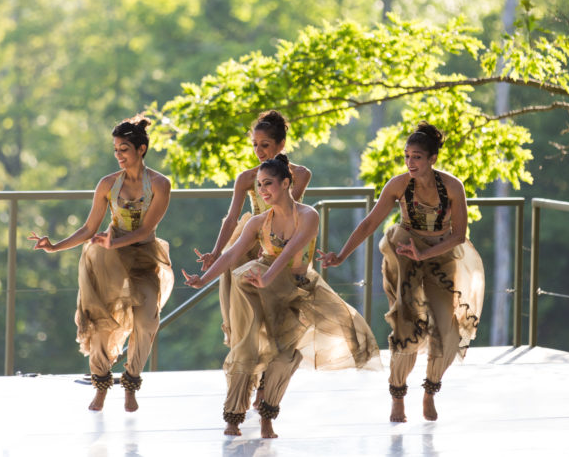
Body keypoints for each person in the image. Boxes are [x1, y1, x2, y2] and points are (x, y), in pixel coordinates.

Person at [183, 154, 380, 438]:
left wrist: (268, 277)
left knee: (286, 355)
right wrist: (203, 278)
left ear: (286, 183)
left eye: (269, 184)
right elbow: (232, 255)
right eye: (260, 185)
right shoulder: (258, 222)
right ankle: (233, 418)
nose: (262, 190)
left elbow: (290, 253)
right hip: (257, 286)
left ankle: (267, 416)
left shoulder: (308, 215)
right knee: (248, 347)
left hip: (295, 287)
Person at [320, 122, 485, 423]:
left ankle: (430, 391)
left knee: (448, 332)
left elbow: (459, 235)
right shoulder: (398, 185)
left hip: (440, 253)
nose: (410, 163)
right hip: (405, 253)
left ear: (432, 158)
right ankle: (397, 395)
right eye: (407, 156)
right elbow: (370, 223)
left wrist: (426, 252)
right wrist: (341, 255)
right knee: (408, 326)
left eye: (417, 157)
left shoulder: (452, 187)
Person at [29, 116, 173, 412]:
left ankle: (131, 381)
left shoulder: (160, 183)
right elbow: (89, 228)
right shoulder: (108, 184)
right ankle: (102, 385)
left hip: (143, 256)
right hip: (109, 260)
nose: (119, 155)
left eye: (125, 149)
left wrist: (114, 241)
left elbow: (146, 230)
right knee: (100, 324)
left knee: (147, 321)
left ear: (141, 149)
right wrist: (54, 246)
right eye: (116, 150)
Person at [194, 109, 311, 347]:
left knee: (279, 310)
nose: (258, 151)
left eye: (265, 145)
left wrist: (269, 242)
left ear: (282, 144)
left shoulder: (299, 174)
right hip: (250, 237)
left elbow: (287, 210)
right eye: (255, 145)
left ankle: (272, 359)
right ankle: (246, 352)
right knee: (244, 305)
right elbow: (231, 219)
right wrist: (215, 253)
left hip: (282, 239)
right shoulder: (247, 178)